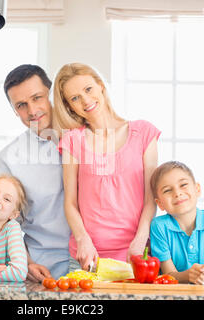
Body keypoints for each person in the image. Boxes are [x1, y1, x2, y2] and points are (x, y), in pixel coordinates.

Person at [53, 62, 160, 271]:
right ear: (69, 106)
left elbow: (150, 199)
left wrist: (140, 240)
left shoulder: (144, 133)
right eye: (74, 98)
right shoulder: (72, 140)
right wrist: (83, 239)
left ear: (101, 85)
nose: (85, 100)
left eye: (88, 89)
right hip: (87, 258)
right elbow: (70, 202)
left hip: (136, 255)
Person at [0, 64, 71, 281]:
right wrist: (27, 264)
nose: (32, 110)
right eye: (21, 105)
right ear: (14, 111)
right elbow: (4, 224)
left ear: (51, 93)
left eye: (37, 98)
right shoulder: (7, 160)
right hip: (43, 270)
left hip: (97, 267)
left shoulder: (89, 138)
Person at [149, 161, 204, 291]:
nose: (177, 193)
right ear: (160, 204)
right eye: (168, 190)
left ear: (197, 189)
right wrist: (189, 275)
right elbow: (168, 274)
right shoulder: (158, 227)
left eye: (183, 185)